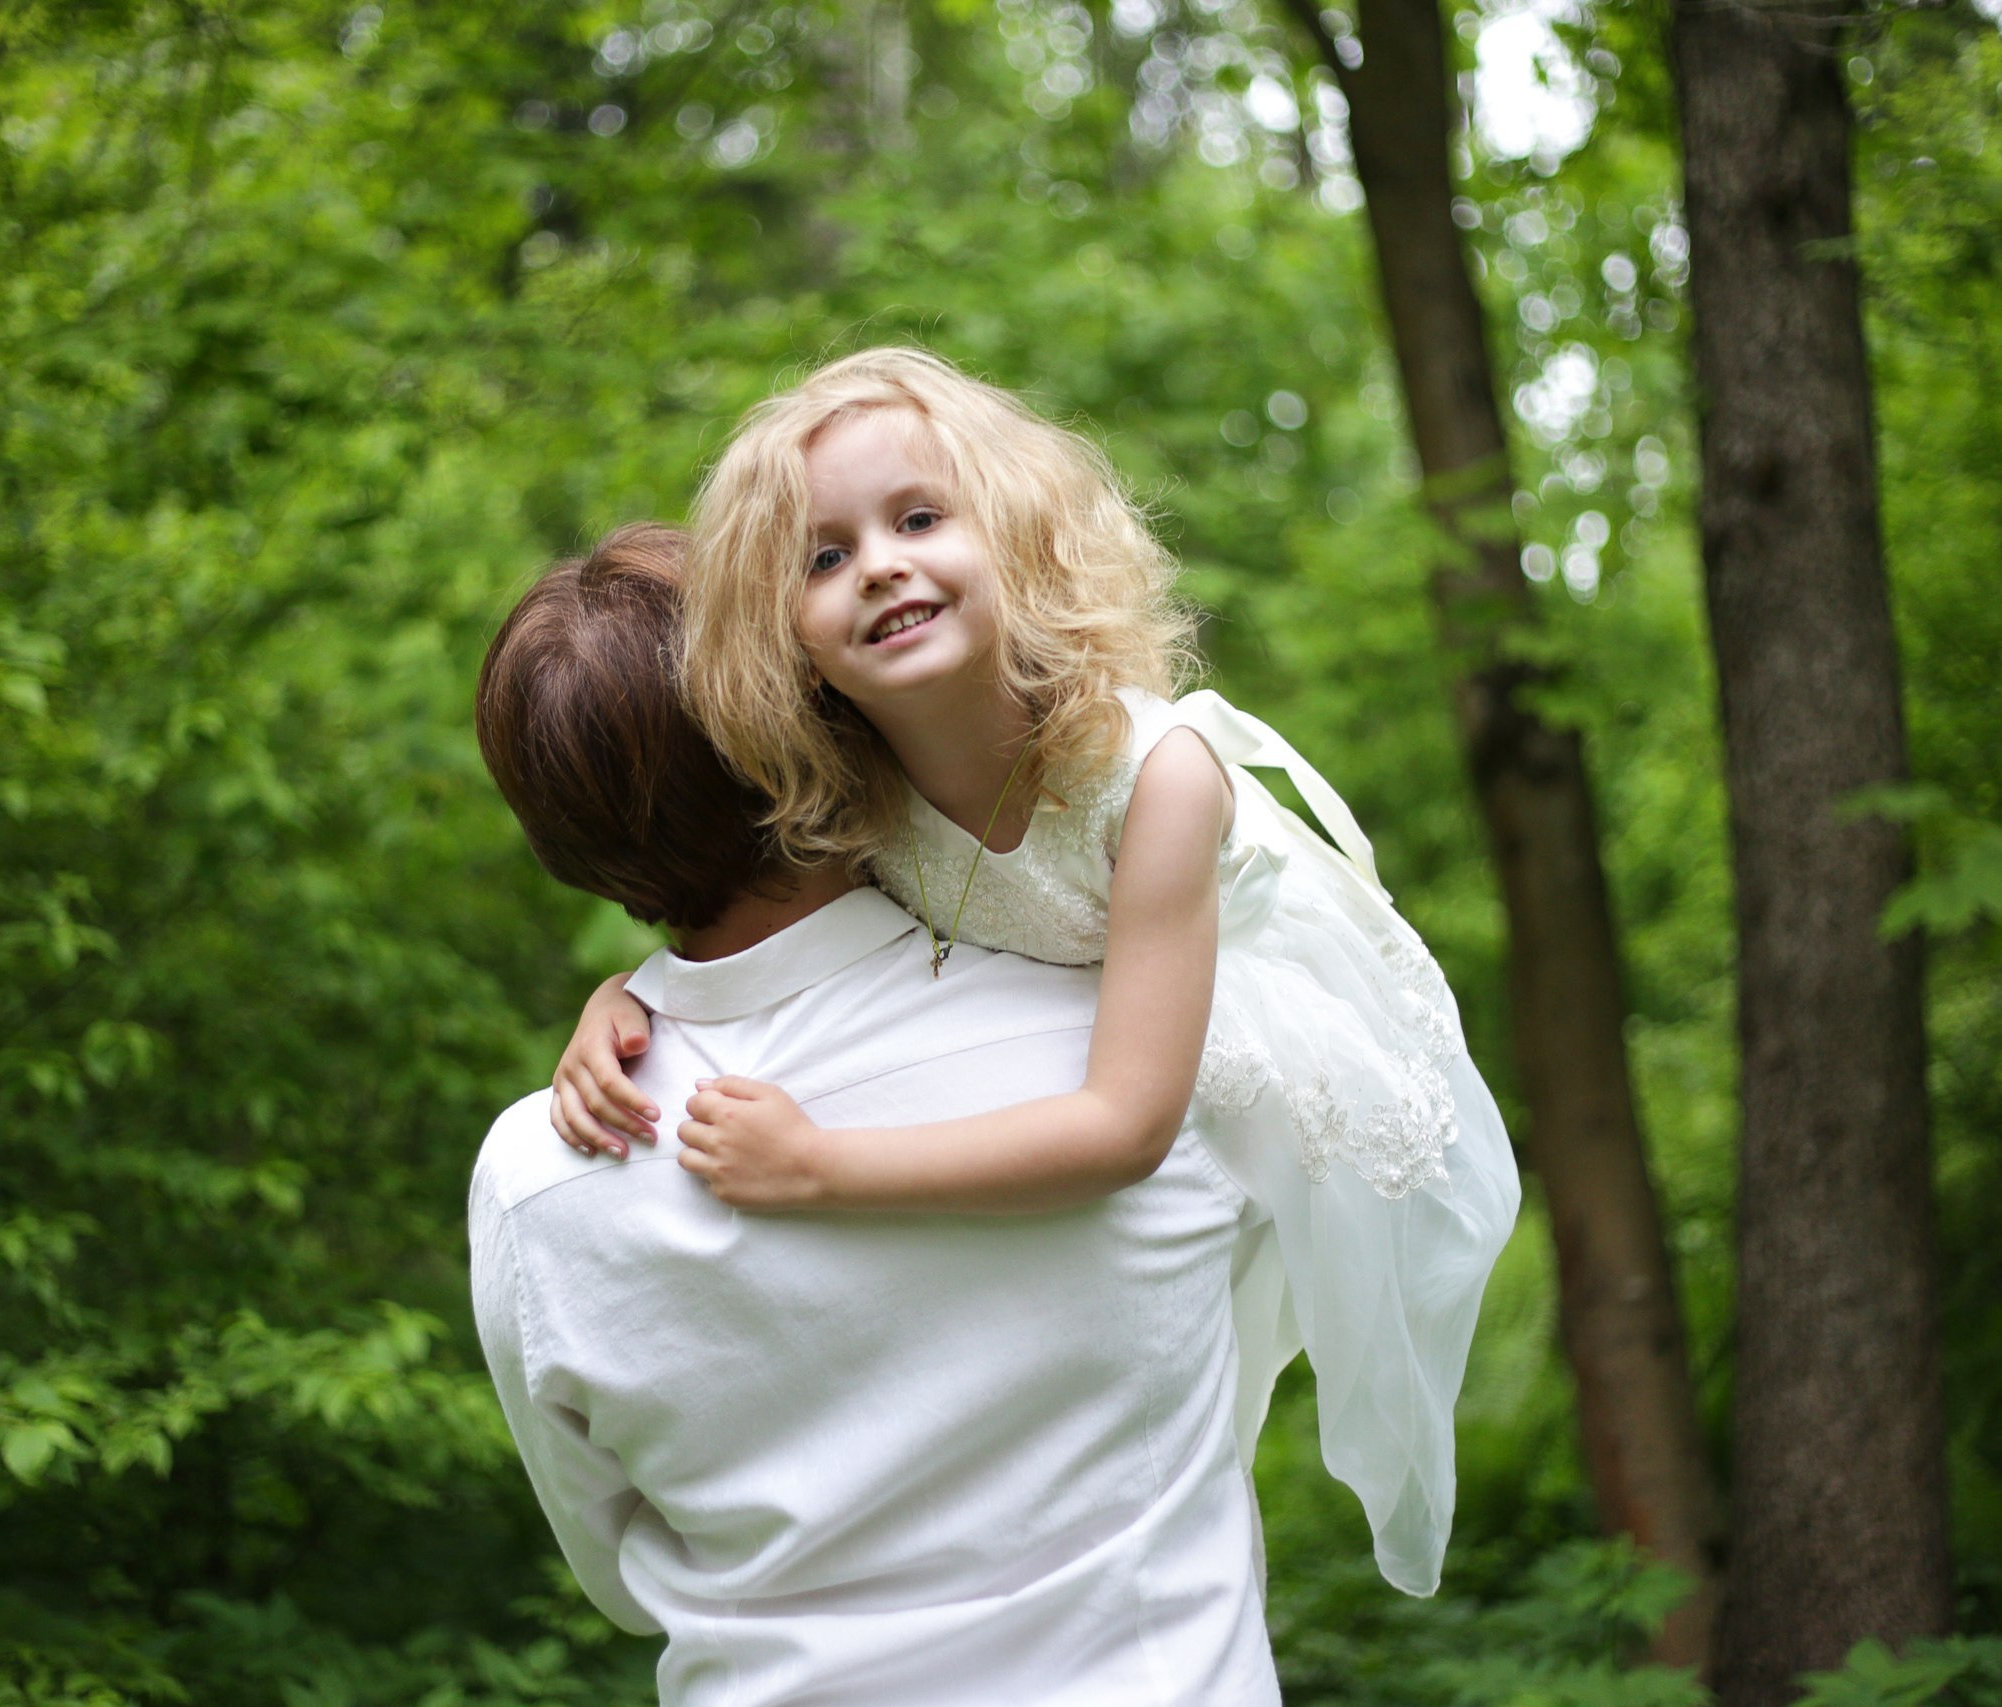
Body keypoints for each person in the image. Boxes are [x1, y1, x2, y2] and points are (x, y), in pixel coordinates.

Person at [554, 348, 1520, 1595]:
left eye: (918, 518)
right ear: (780, 638)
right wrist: (622, 1004)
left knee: (1187, 1350)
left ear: (1014, 535)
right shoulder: (855, 792)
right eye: (823, 557)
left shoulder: (1157, 781)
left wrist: (819, 1167)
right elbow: (735, 926)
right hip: (1070, 1000)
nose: (881, 565)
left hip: (1232, 1019)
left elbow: (1121, 1127)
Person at [469, 523, 1289, 1703]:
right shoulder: (1137, 1051)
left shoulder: (538, 1178)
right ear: (814, 717)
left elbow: (614, 1568)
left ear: (568, 842)